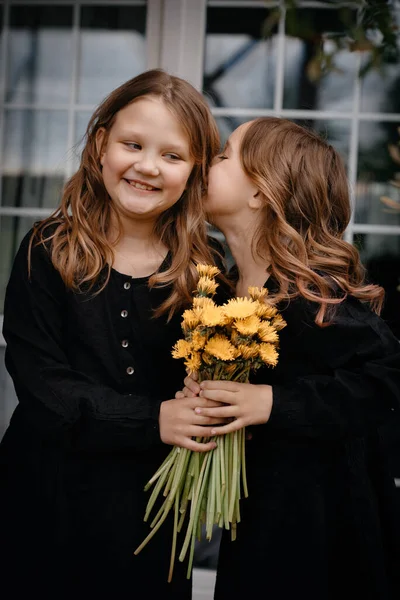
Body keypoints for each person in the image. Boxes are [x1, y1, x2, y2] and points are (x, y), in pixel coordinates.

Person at [0, 68, 229, 600]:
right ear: (102, 143)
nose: (148, 166)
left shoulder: (206, 269)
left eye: (172, 156)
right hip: (43, 497)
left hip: (149, 508)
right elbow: (40, 384)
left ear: (195, 169)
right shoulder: (48, 248)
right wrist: (153, 417)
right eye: (133, 144)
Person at [179, 117, 400, 600]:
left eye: (222, 155)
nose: (205, 163)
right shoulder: (218, 291)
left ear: (260, 192)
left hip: (323, 544)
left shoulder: (317, 301)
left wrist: (273, 404)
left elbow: (386, 379)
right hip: (256, 532)